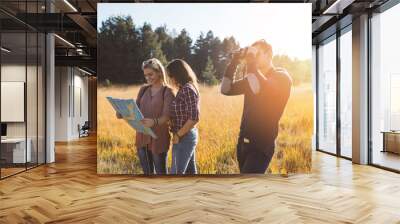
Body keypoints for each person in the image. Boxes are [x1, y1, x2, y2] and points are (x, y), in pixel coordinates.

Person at [220, 39, 292, 174]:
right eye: (252, 54)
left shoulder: (281, 77)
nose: (253, 57)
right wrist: (234, 62)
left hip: (261, 145)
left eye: (257, 53)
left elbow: (259, 88)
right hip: (243, 142)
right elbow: (225, 89)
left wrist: (250, 62)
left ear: (269, 54)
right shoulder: (251, 78)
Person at [117, 58, 174, 175]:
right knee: (147, 173)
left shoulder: (167, 91)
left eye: (150, 74)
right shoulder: (143, 89)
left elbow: (167, 116)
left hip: (159, 139)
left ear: (159, 72)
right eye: (145, 75)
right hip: (142, 137)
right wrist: (123, 113)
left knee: (161, 174)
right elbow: (135, 109)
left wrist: (154, 122)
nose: (148, 78)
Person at [166, 59, 200, 174]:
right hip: (183, 135)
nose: (170, 79)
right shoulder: (183, 89)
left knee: (175, 174)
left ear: (178, 74)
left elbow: (194, 118)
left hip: (184, 136)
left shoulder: (187, 89)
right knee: (190, 173)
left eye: (171, 75)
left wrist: (178, 135)